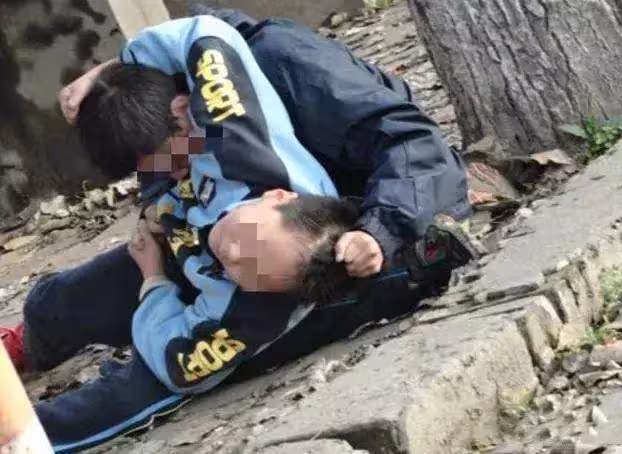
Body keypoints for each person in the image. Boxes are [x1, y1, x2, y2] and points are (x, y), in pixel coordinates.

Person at [0, 7, 472, 453]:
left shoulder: (282, 82)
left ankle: (20, 435)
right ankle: (26, 348)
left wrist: (378, 233)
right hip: (215, 235)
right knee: (60, 301)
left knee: (160, 377)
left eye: (171, 160)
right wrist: (115, 80)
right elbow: (203, 44)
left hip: (322, 251)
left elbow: (417, 147)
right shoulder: (189, 125)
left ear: (184, 110)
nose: (170, 170)